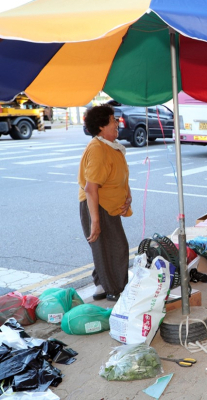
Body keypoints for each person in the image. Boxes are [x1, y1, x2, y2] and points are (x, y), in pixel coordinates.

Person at [79, 104, 133, 302]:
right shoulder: (98, 149)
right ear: (101, 126)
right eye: (112, 120)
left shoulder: (111, 147)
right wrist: (95, 221)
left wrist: (128, 197)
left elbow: (120, 176)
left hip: (107, 205)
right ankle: (116, 290)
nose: (117, 122)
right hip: (96, 205)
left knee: (107, 247)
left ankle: (103, 283)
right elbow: (90, 188)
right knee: (116, 247)